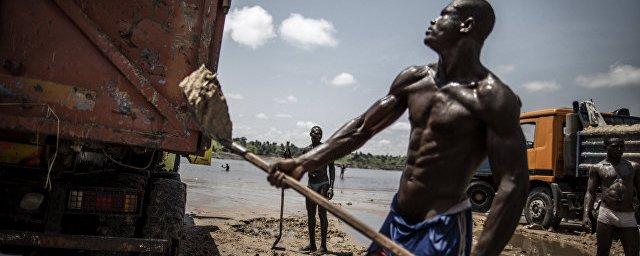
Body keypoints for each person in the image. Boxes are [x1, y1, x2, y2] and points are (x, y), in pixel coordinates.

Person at [267, 0, 529, 255]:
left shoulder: (493, 99)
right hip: (398, 219)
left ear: (466, 24)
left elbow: (512, 183)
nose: (433, 20)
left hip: (440, 226)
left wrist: (483, 252)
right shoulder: (415, 80)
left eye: (443, 14)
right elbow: (362, 128)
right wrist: (303, 163)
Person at [583, 137, 639, 256]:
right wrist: (586, 215)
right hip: (606, 213)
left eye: (622, 146)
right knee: (602, 252)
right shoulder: (597, 168)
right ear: (605, 148)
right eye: (615, 146)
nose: (619, 149)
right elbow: (590, 192)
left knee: (633, 252)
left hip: (627, 214)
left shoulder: (633, 167)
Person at [299, 126, 336, 253]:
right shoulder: (306, 150)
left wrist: (331, 187)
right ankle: (312, 244)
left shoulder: (325, 149)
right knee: (310, 215)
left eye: (320, 134)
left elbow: (331, 168)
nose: (318, 136)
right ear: (310, 134)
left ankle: (323, 246)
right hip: (311, 185)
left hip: (323, 185)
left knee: (322, 214)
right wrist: (288, 158)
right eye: (315, 134)